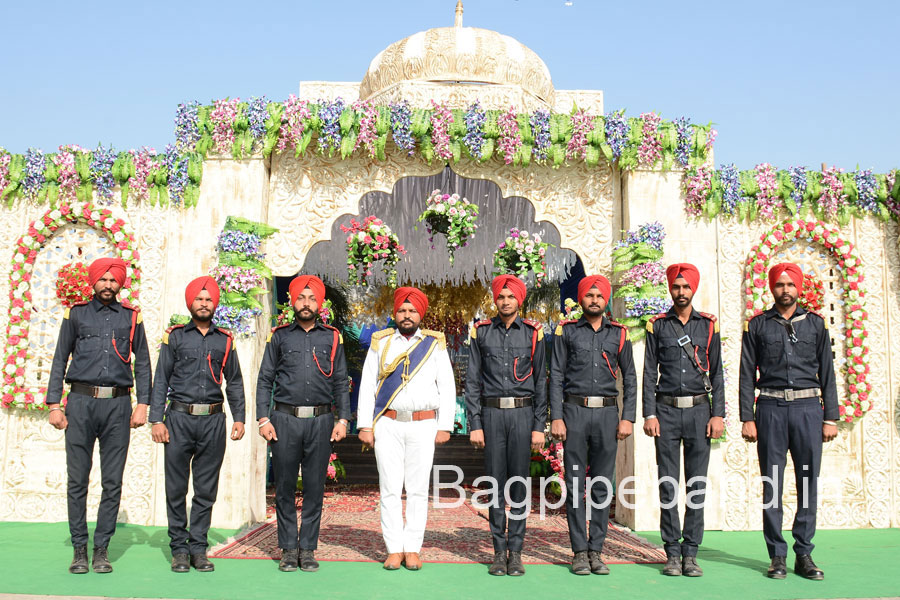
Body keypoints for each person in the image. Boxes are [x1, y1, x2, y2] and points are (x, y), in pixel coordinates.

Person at [46, 257, 152, 574]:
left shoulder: (132, 318)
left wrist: (143, 404)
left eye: (113, 280)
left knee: (112, 482)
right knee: (77, 480)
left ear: (121, 283)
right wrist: (54, 404)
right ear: (93, 282)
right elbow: (59, 358)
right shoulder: (76, 314)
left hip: (117, 406)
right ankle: (79, 549)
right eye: (103, 279)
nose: (108, 285)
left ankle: (101, 549)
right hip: (79, 403)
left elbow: (144, 363)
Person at [739, 262, 838, 580]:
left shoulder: (816, 325)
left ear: (799, 288)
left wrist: (831, 417)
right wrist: (747, 417)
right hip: (770, 409)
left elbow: (827, 373)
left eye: (790, 284)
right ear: (772, 288)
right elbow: (745, 375)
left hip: (809, 409)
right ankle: (777, 556)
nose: (785, 289)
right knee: (772, 483)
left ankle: (804, 553)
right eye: (779, 284)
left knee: (808, 482)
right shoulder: (757, 326)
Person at [149, 276, 245, 573]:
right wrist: (156, 419)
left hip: (213, 421)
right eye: (199, 299)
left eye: (209, 299)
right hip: (177, 419)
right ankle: (178, 548)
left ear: (215, 304)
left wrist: (239, 417)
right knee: (176, 488)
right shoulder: (175, 337)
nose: (204, 303)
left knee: (205, 489)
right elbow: (161, 378)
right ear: (190, 302)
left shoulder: (225, 340)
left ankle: (198, 548)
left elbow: (235, 381)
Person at [356, 287, 456, 571]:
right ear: (395, 314)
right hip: (387, 423)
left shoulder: (434, 343)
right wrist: (365, 425)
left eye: (412, 311)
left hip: (424, 424)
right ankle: (393, 549)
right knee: (389, 488)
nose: (407, 315)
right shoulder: (381, 342)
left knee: (417, 489)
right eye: (402, 310)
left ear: (420, 314)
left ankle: (412, 548)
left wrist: (444, 425)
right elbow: (367, 385)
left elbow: (447, 386)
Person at [256, 275, 350, 572]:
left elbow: (340, 381)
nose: (306, 303)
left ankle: (307, 549)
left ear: (319, 303)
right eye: (301, 298)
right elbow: (265, 379)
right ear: (292, 301)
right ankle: (287, 549)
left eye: (311, 298)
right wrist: (262, 418)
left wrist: (343, 418)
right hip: (284, 421)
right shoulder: (279, 336)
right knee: (283, 487)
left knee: (313, 487)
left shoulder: (332, 337)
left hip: (321, 421)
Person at [549, 274, 636, 576]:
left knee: (601, 486)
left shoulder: (619, 335)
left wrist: (628, 417)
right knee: (574, 485)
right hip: (574, 413)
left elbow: (631, 379)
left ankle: (596, 550)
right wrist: (556, 416)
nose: (595, 300)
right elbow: (556, 375)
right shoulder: (567, 332)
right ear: (582, 299)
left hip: (608, 416)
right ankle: (579, 551)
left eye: (600, 296)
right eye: (589, 295)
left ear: (606, 300)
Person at [642, 264, 725, 577]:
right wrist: (649, 413)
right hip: (665, 412)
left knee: (696, 485)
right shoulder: (658, 326)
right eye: (676, 287)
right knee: (668, 485)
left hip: (700, 412)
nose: (680, 292)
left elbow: (716, 373)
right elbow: (650, 371)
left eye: (685, 287)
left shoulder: (708, 326)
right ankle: (671, 553)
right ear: (670, 290)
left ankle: (691, 553)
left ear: (694, 290)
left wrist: (718, 414)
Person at [465, 274, 547, 576]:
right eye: (501, 296)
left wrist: (540, 426)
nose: (505, 301)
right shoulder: (482, 332)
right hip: (492, 416)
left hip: (523, 416)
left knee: (519, 485)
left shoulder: (533, 334)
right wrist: (475, 423)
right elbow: (472, 381)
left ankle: (517, 551)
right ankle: (499, 551)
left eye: (510, 297)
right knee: (496, 484)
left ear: (519, 300)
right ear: (495, 300)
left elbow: (541, 382)